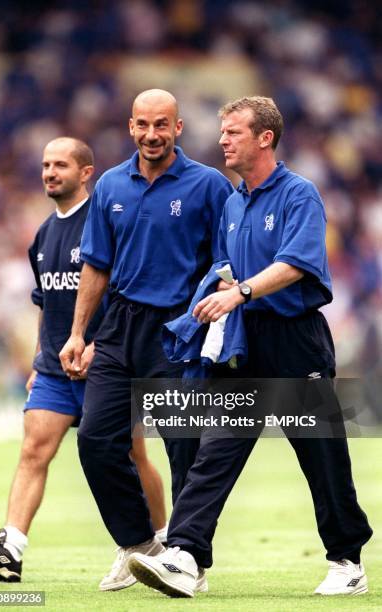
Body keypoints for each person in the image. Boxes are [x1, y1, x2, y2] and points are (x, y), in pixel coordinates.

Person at [128, 96, 373, 598]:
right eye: (222, 132)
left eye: (234, 132)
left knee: (321, 456)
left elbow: (298, 263)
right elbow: (224, 264)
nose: (223, 140)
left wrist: (239, 292)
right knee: (215, 451)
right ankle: (186, 555)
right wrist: (215, 294)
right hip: (242, 340)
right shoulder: (233, 202)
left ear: (264, 138)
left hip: (294, 340)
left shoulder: (298, 194)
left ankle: (347, 561)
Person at [59, 89, 234, 592]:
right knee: (94, 440)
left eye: (162, 125)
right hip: (119, 328)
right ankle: (138, 544)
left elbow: (226, 263)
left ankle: (188, 557)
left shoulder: (209, 186)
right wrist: (77, 334)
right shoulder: (111, 184)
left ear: (178, 128)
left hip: (180, 329)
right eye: (142, 125)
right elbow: (96, 264)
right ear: (130, 127)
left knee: (184, 447)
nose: (152, 135)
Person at [0, 137, 167, 584]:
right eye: (45, 165)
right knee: (32, 449)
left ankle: (159, 544)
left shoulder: (105, 223)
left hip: (110, 361)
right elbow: (46, 301)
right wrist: (41, 358)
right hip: (55, 368)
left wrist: (102, 344)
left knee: (133, 454)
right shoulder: (44, 233)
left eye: (60, 164)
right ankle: (11, 550)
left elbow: (125, 294)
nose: (49, 172)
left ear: (86, 173)